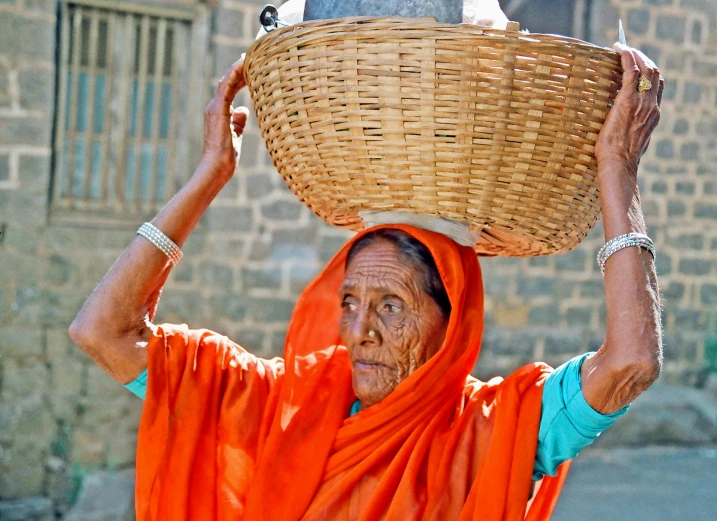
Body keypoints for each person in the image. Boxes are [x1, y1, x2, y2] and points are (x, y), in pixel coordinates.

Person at [69, 38, 664, 520]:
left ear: (449, 321)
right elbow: (104, 332)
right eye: (349, 302)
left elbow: (630, 362)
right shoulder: (284, 409)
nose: (360, 333)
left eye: (392, 306)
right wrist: (209, 176)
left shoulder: (491, 432)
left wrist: (616, 168)